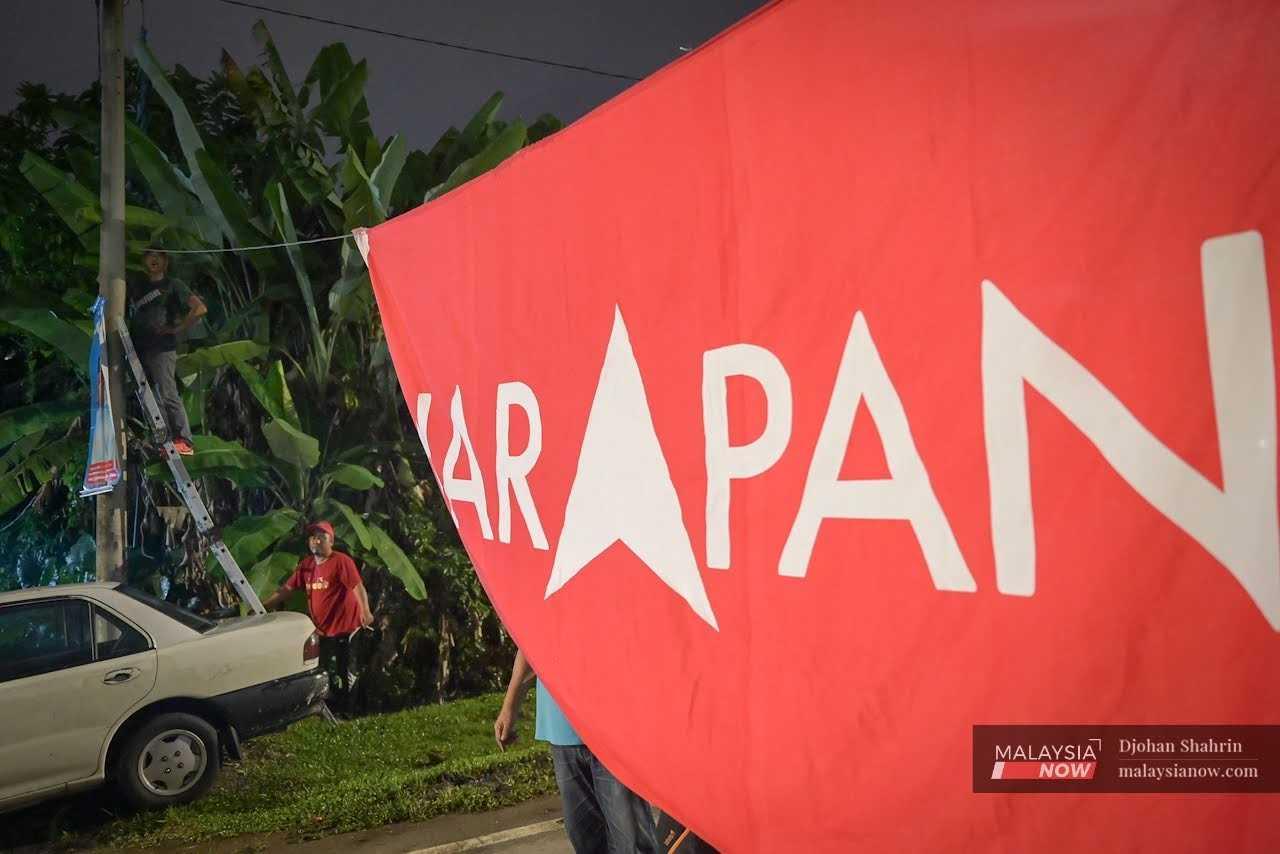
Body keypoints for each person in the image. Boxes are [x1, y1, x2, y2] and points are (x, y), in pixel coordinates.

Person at [495, 648, 660, 854]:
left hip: (616, 727)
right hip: (562, 727)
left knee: (632, 840)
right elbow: (531, 642)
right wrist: (510, 705)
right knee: (585, 838)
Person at [263, 521, 374, 708]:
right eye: (313, 537)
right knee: (323, 668)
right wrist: (263, 605)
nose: (316, 541)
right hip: (322, 629)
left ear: (331, 542)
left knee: (346, 669)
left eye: (321, 537)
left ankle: (350, 709)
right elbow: (286, 590)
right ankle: (329, 705)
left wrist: (366, 611)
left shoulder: (341, 561)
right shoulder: (306, 566)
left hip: (347, 626)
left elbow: (357, 586)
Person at [126, 247, 205, 455]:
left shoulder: (172, 285)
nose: (153, 260)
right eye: (149, 256)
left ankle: (184, 440)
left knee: (168, 392)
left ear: (165, 261)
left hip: (161, 348)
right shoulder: (137, 286)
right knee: (150, 396)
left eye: (158, 256)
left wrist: (177, 328)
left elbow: (199, 308)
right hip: (139, 348)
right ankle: (165, 440)